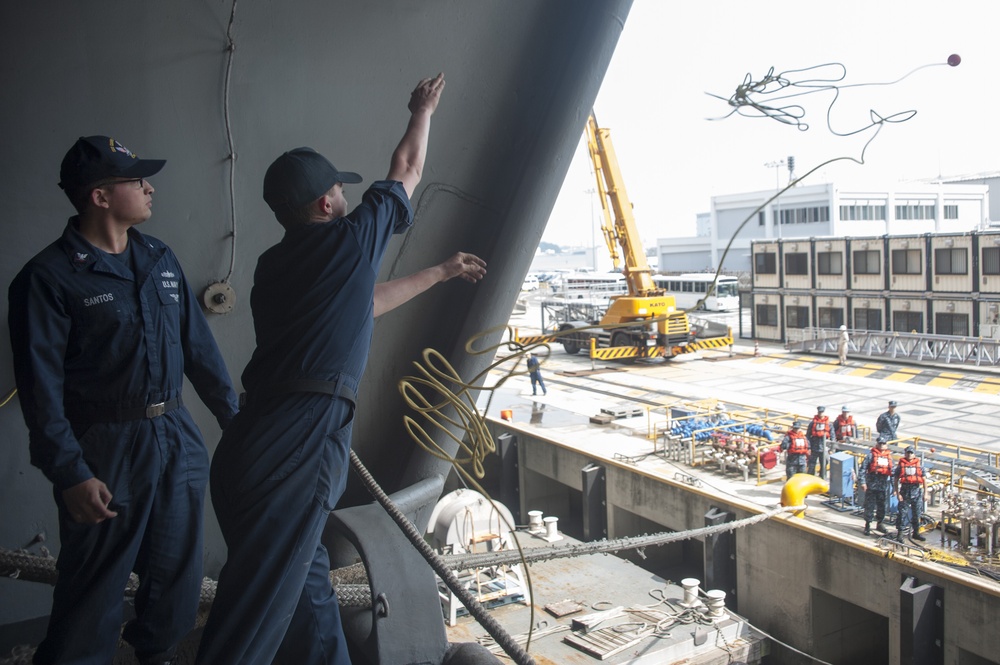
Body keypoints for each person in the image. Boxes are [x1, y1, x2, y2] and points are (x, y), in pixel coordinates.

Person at [196, 74, 473, 665]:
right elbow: (406, 168)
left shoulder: (272, 267)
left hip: (248, 445)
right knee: (252, 622)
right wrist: (421, 110)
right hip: (297, 447)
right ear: (326, 203)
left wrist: (441, 272)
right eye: (339, 191)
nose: (347, 197)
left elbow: (363, 306)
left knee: (308, 591)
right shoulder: (349, 240)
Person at [8, 135, 238, 665]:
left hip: (175, 439)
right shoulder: (47, 279)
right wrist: (70, 474)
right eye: (137, 180)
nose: (149, 187)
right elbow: (41, 395)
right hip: (105, 452)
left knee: (178, 591)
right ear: (101, 196)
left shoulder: (159, 258)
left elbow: (199, 352)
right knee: (92, 600)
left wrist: (236, 422)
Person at [860, 436, 894, 535]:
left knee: (882, 505)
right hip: (872, 484)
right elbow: (863, 469)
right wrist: (862, 482)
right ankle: (867, 524)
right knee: (869, 505)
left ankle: (880, 523)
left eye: (883, 444)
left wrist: (895, 487)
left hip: (883, 485)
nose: (882, 445)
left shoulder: (889, 457)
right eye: (880, 443)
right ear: (877, 444)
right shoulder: (871, 456)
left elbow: (892, 472)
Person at [893, 446, 927, 541]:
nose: (909, 454)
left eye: (911, 453)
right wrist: (897, 492)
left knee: (917, 513)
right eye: (908, 453)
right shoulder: (901, 466)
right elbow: (896, 480)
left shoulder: (919, 466)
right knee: (902, 513)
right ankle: (900, 533)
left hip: (916, 492)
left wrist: (926, 493)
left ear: (914, 454)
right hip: (905, 492)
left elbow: (924, 480)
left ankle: (916, 532)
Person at [806, 405, 830, 479]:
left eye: (822, 412)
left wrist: (831, 449)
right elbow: (808, 436)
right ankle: (810, 479)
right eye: (819, 412)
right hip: (814, 448)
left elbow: (832, 435)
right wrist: (809, 447)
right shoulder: (813, 423)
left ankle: (822, 478)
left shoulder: (828, 424)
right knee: (812, 465)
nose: (820, 414)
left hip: (824, 448)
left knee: (824, 464)